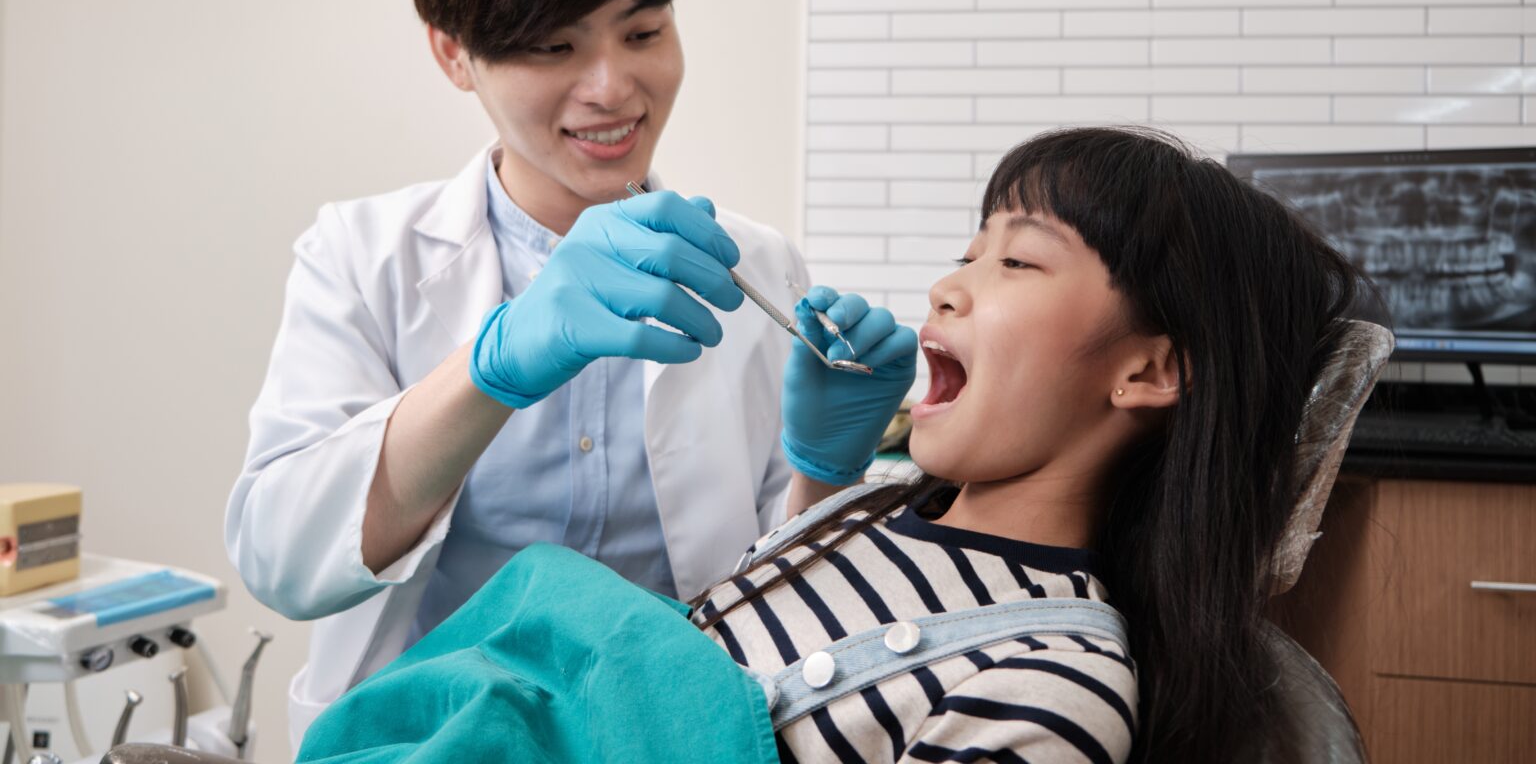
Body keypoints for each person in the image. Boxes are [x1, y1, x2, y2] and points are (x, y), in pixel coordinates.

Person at [294, 126, 1367, 764]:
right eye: (966, 250)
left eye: (1019, 264)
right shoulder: (871, 508)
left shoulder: (1054, 685)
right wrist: (821, 472)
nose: (948, 283)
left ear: (1150, 370)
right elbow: (714, 664)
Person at [224, 0, 888, 750]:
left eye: (643, 32)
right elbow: (282, 557)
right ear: (454, 55)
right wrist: (494, 368)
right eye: (553, 46)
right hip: (424, 738)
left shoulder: (757, 265)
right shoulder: (363, 254)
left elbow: (786, 608)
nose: (613, 87)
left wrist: (826, 470)